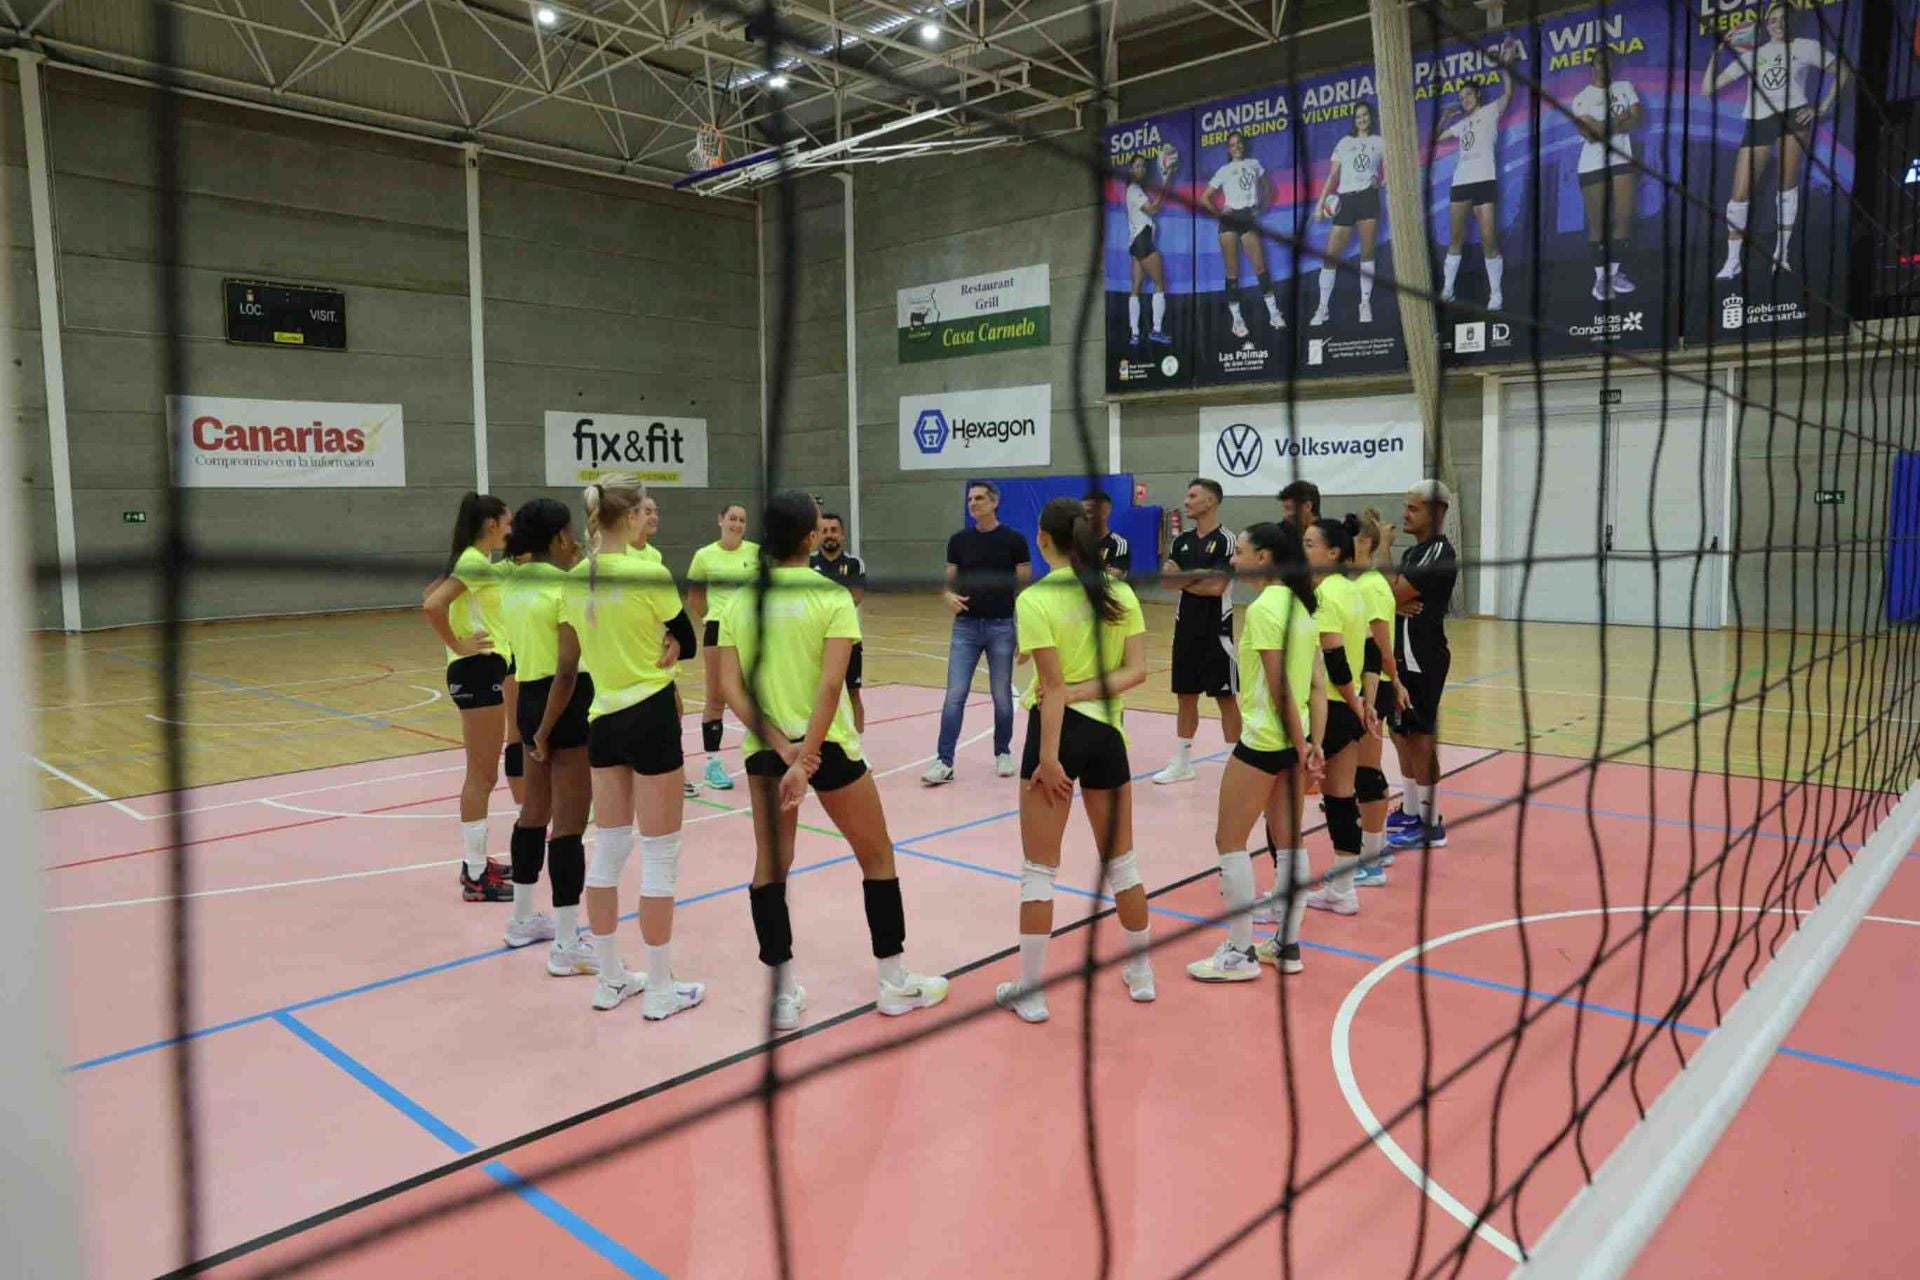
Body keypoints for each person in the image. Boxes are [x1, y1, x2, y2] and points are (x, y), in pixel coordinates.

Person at [718, 492, 950, 1031]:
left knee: (770, 867)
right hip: (832, 750)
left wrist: (782, 750)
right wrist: (807, 758)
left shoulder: (736, 603)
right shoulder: (833, 597)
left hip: (767, 754)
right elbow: (830, 685)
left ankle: (780, 996)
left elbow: (731, 687)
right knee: (877, 856)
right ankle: (894, 982)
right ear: (807, 539)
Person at [997, 498, 1155, 1023]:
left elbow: (1054, 686)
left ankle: (1032, 991)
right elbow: (1137, 671)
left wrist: (1046, 757)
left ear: (1043, 539)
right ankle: (1141, 975)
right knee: (1122, 861)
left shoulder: (1036, 599)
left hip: (1058, 734)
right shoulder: (1118, 591)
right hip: (1108, 734)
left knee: (1039, 870)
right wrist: (1089, 694)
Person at [555, 475, 705, 1018]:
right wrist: (670, 644)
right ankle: (661, 988)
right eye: (644, 506)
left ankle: (611, 977)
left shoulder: (574, 580)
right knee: (661, 855)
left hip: (604, 719)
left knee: (609, 849)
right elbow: (684, 638)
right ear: (630, 513)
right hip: (650, 714)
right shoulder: (649, 571)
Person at [1188, 522, 1323, 982]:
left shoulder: (1267, 608)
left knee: (1229, 841)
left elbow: (1282, 685)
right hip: (1292, 742)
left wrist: (1303, 744)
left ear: (1263, 557)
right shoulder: (1303, 608)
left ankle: (1240, 953)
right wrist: (1311, 745)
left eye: (1240, 551)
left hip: (1265, 740)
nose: (1233, 558)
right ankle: (1286, 945)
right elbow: (1317, 687)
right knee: (1290, 845)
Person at [498, 498, 597, 975]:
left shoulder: (512, 582)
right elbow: (567, 670)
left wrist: (529, 728)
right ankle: (565, 943)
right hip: (563, 707)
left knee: (532, 813)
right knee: (571, 825)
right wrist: (543, 731)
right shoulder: (565, 587)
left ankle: (521, 919)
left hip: (528, 699)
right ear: (559, 536)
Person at [1700, 2, 1845, 279]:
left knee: (1786, 185)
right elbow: (1708, 90)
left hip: (1793, 116)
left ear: (1793, 22)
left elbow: (1843, 71)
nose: (1779, 24)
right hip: (1759, 120)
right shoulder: (1753, 55)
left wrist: (1823, 106)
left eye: (1784, 19)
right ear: (1767, 25)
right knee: (1739, 194)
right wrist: (1718, 53)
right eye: (1774, 20)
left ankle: (1783, 253)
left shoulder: (1806, 46)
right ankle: (1732, 261)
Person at [422, 492, 518, 903]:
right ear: (492, 524)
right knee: (481, 776)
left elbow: (432, 589)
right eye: (507, 522)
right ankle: (476, 876)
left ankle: (477, 863)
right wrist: (458, 644)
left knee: (483, 773)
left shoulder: (469, 562)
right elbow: (432, 604)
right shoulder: (474, 563)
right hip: (476, 670)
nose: (511, 529)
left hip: (485, 669)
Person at [925, 481, 1031, 785]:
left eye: (980, 498)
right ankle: (944, 761)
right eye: (970, 499)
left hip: (1001, 626)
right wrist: (946, 596)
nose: (973, 503)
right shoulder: (959, 541)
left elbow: (1024, 589)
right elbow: (948, 583)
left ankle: (1003, 751)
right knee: (955, 695)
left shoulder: (1015, 540)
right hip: (965, 628)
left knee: (1001, 695)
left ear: (994, 502)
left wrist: (1023, 631)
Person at [1299, 518, 1379, 917]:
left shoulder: (1325, 595)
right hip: (1349, 710)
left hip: (1326, 710)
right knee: (1341, 796)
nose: (1303, 549)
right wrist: (1368, 701)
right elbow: (1373, 652)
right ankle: (1344, 890)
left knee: (1284, 801)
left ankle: (1285, 898)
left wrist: (1352, 701)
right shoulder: (1353, 591)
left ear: (1333, 553)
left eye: (1310, 543)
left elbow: (1335, 658)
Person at [1386, 481, 1458, 852]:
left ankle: (1432, 824)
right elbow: (1388, 594)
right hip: (1400, 655)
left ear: (1435, 512)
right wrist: (1392, 602)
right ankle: (1411, 810)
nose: (1405, 515)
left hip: (1423, 656)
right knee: (1401, 733)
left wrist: (1391, 599)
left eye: (1412, 508)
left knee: (1421, 735)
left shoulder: (1437, 553)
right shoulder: (1415, 553)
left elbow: (1387, 593)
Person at [1154, 479, 1240, 784]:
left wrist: (1184, 578)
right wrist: (1197, 576)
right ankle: (1183, 762)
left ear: (1211, 502)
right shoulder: (1182, 542)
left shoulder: (1228, 540)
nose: (1186, 501)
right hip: (1185, 627)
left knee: (1225, 698)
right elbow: (1165, 583)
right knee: (1185, 697)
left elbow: (1217, 587)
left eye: (1193, 496)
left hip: (1217, 629)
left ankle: (1237, 763)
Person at [1349, 510, 1410, 889]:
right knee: (1360, 771)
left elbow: (1381, 644)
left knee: (1366, 772)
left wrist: (1393, 682)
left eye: (1352, 541)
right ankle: (1379, 844)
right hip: (1362, 684)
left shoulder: (1370, 586)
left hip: (1372, 686)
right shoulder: (1356, 583)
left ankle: (1371, 861)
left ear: (1367, 544)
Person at [687, 503, 759, 795]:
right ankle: (712, 763)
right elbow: (695, 596)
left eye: (742, 520)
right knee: (716, 697)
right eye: (732, 518)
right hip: (718, 628)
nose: (737, 524)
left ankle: (762, 752)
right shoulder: (704, 556)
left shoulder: (756, 553)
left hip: (750, 629)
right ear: (720, 520)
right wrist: (710, 618)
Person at [1436, 50, 1515, 311]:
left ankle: (1496, 294)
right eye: (1461, 97)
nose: (1465, 99)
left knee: (1488, 239)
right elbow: (1436, 138)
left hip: (1484, 181)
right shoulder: (1461, 124)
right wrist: (1445, 118)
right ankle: (1448, 289)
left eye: (1468, 94)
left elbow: (1508, 94)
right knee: (1455, 238)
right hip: (1461, 183)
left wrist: (1505, 67)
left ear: (1477, 95)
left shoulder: (1491, 111)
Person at [1572, 46, 1644, 301]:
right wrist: (1620, 119)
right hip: (1592, 164)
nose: (1606, 66)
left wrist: (1605, 126)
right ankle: (1600, 279)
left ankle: (1613, 274)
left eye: (1610, 62)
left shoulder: (1625, 87)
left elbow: (1637, 120)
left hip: (1622, 158)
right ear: (1593, 65)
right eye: (1601, 62)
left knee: (1624, 217)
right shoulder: (1581, 98)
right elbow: (1589, 135)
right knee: (1598, 225)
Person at [1204, 130, 1288, 342]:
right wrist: (1218, 212)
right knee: (1233, 274)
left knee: (1260, 268)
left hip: (1248, 218)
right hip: (1229, 221)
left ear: (1244, 145)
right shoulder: (1224, 170)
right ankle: (1237, 319)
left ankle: (1274, 313)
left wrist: (1261, 206)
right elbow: (1205, 198)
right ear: (1228, 149)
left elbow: (1268, 187)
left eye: (1239, 143)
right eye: (1232, 144)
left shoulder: (1254, 163)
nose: (1237, 146)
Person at [1311, 100, 1388, 327]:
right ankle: (1322, 308)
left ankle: (1365, 304)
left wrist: (1381, 181)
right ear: (1354, 120)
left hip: (1368, 198)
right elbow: (1332, 176)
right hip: (1345, 200)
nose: (1362, 119)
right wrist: (1320, 204)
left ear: (1371, 117)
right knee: (1330, 256)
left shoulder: (1380, 142)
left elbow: (1391, 172)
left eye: (1365, 115)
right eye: (1358, 116)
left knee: (1367, 253)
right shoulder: (1344, 143)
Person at [810, 512, 868, 733]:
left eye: (834, 530)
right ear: (817, 536)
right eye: (824, 531)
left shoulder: (854, 564)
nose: (829, 535)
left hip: (847, 638)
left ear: (842, 535)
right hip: (815, 639)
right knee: (817, 692)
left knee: (853, 692)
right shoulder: (808, 563)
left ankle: (858, 748)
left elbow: (854, 597)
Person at [1124, 152, 1174, 347]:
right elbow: (1153, 209)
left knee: (1135, 289)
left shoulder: (1134, 190)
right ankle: (1156, 330)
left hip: (1136, 242)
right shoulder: (1134, 189)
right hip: (1143, 241)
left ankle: (1135, 334)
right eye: (1137, 166)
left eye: (1143, 166)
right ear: (1130, 169)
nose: (1141, 169)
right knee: (1159, 283)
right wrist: (1166, 181)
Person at [1083, 490, 1131, 577]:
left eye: (1088, 512)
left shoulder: (1118, 543)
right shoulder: (1075, 542)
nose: (1084, 517)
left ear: (1104, 513)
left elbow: (1115, 577)